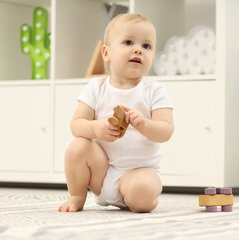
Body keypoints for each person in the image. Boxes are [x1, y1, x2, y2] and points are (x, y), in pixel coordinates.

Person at [58, 13, 174, 213]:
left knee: (142, 192)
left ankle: (144, 199)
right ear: (106, 53)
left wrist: (145, 124)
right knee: (77, 147)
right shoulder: (96, 87)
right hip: (101, 173)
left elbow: (166, 131)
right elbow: (76, 124)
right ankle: (77, 196)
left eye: (147, 46)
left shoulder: (154, 90)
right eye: (128, 42)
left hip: (138, 172)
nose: (138, 49)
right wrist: (96, 128)